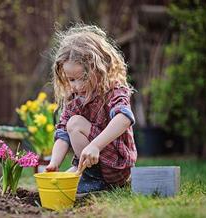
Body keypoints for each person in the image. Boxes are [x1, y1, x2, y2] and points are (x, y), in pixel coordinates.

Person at [45, 24, 137, 194]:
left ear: (100, 68)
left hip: (116, 164)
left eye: (84, 78)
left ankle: (94, 178)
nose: (78, 86)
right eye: (71, 80)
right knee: (61, 184)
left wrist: (95, 145)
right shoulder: (74, 98)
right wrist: (54, 162)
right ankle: (90, 175)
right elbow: (63, 133)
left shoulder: (113, 90)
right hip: (94, 162)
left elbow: (124, 118)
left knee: (76, 123)